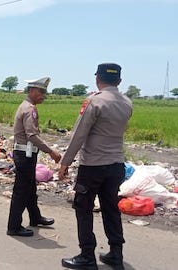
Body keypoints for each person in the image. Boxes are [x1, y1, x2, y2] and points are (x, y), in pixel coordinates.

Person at [59, 63, 132, 270]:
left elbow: (79, 135)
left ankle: (87, 256)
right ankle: (116, 255)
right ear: (119, 81)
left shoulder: (94, 101)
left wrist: (65, 162)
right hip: (116, 165)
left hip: (93, 166)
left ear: (97, 79)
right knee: (111, 209)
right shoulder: (127, 102)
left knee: (83, 208)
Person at [7, 77, 62, 237]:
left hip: (26, 153)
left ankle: (35, 217)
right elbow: (32, 135)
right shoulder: (29, 109)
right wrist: (51, 151)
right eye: (41, 92)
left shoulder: (26, 106)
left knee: (30, 188)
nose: (43, 95)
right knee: (21, 191)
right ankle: (14, 226)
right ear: (31, 91)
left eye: (45, 92)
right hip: (25, 154)